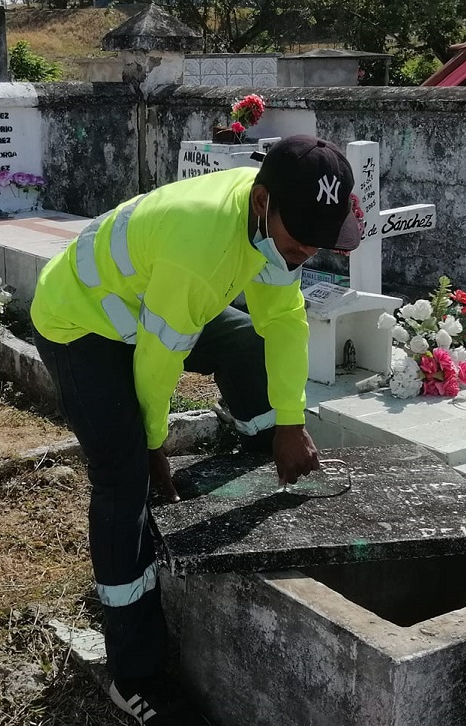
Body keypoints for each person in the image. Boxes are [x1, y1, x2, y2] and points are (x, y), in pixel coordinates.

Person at [31, 134, 362, 725]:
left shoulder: (267, 226)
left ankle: (262, 459)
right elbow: (158, 363)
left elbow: (284, 319)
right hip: (83, 319)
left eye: (317, 245)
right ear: (263, 202)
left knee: (243, 344)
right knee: (122, 478)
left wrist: (290, 423)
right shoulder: (204, 252)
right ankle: (132, 673)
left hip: (147, 304)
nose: (304, 254)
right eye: (298, 241)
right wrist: (154, 446)